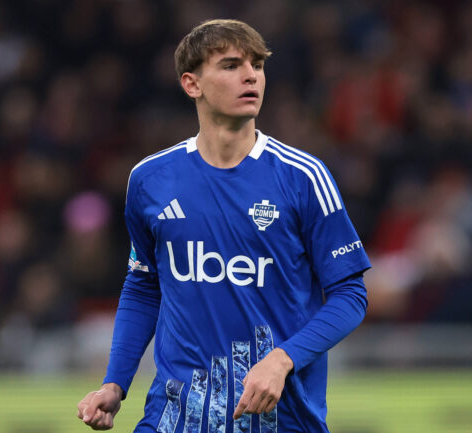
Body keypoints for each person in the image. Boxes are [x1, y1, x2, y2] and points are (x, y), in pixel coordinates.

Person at [77, 19, 371, 433]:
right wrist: (115, 383)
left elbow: (350, 294)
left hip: (279, 419)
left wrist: (282, 359)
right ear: (191, 84)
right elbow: (144, 286)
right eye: (232, 65)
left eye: (258, 64)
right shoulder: (149, 179)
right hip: (175, 417)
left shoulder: (304, 176)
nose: (251, 75)